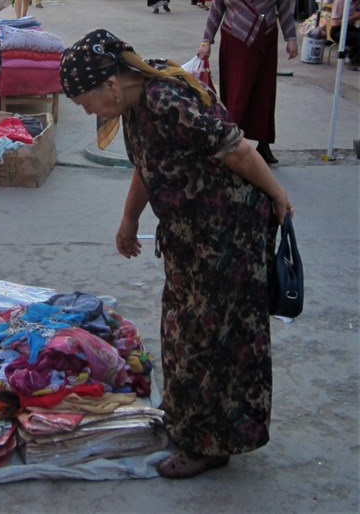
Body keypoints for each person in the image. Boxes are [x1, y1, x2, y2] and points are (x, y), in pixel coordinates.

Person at [60, 28, 294, 480]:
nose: (88, 111)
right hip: (192, 236)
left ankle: (207, 443)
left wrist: (279, 198)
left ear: (111, 83)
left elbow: (237, 149)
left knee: (212, 341)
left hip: (227, 235)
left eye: (85, 101)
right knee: (184, 331)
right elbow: (149, 167)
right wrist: (129, 221)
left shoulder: (166, 101)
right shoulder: (134, 105)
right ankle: (193, 423)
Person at [197, 0, 298, 165]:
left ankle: (263, 144)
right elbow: (216, 11)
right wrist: (206, 42)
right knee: (236, 92)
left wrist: (291, 38)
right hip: (234, 40)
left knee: (264, 92)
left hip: (264, 40)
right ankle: (232, 142)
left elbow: (283, 7)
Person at [329, 0, 360, 70]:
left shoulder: (357, 1)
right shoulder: (341, 1)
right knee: (358, 38)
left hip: (350, 28)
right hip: (337, 30)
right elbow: (336, 22)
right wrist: (355, 17)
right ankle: (352, 61)